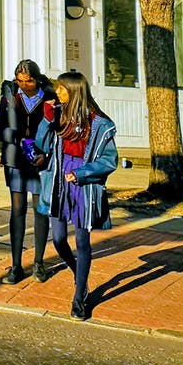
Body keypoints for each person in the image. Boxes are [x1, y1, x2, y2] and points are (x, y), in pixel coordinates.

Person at [34, 71, 117, 320]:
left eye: (61, 88)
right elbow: (43, 145)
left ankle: (79, 296)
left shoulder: (100, 123)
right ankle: (78, 273)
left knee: (82, 242)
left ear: (74, 91)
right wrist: (47, 119)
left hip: (83, 184)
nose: (57, 93)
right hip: (59, 180)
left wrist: (82, 173)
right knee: (58, 239)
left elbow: (109, 160)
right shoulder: (58, 115)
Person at [0, 59, 55, 284]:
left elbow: (57, 131)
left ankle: (39, 263)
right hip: (16, 159)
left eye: (28, 80)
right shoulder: (10, 97)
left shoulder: (51, 98)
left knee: (41, 209)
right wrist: (16, 138)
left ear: (37, 79)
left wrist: (46, 154)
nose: (24, 85)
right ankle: (17, 265)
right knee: (17, 209)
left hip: (40, 160)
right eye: (20, 80)